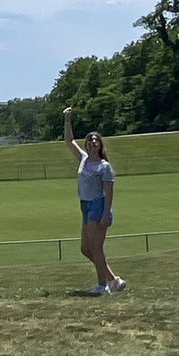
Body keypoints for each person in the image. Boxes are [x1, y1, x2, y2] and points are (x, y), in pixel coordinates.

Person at [63, 107, 126, 296]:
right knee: (85, 249)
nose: (92, 142)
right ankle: (114, 280)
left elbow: (109, 192)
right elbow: (69, 141)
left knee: (96, 248)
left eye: (96, 140)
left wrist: (106, 214)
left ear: (100, 145)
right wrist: (67, 120)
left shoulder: (104, 166)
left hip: (98, 207)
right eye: (90, 140)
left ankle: (103, 286)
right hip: (85, 206)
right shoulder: (83, 159)